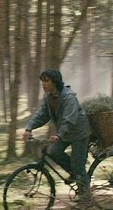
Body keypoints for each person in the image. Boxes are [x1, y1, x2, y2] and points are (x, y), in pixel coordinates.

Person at [22, 69, 93, 202]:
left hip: (79, 133)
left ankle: (86, 197)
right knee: (53, 152)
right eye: (42, 81)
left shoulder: (69, 97)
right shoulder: (49, 98)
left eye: (46, 81)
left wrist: (59, 135)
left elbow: (69, 119)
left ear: (55, 82)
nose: (43, 84)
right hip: (64, 133)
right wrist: (29, 128)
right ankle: (76, 174)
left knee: (78, 164)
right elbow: (41, 115)